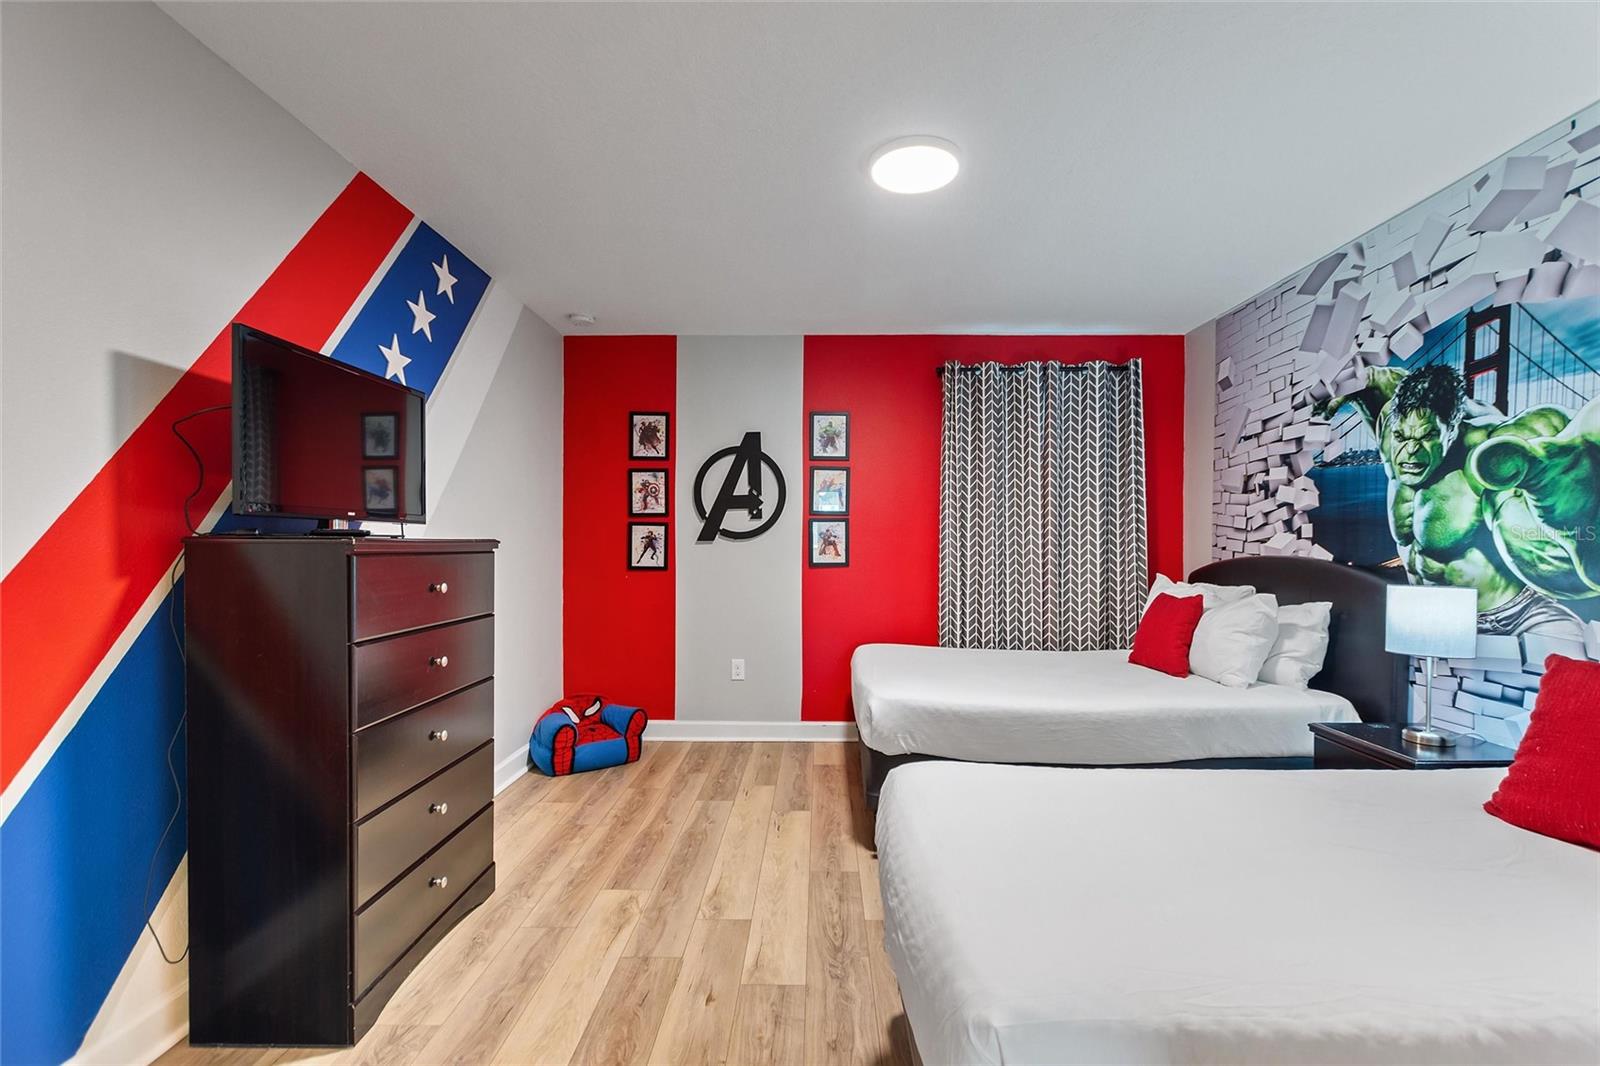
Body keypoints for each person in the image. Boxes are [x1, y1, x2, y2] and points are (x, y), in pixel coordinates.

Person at [1316, 363, 1599, 642]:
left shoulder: (1484, 448)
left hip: (1514, 616)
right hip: (1433, 617)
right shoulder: (1392, 428)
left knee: (1571, 657)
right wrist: (1349, 384)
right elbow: (1377, 379)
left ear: (1452, 428)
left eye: (1428, 436)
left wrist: (1572, 466)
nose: (1411, 450)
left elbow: (1546, 430)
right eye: (1402, 436)